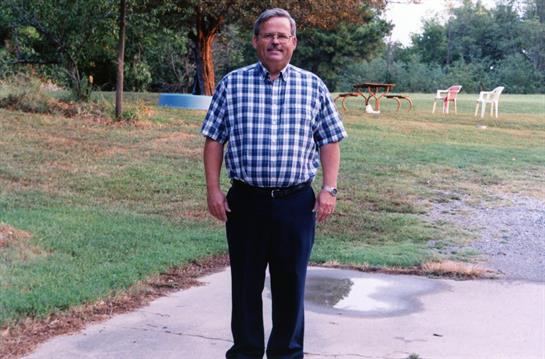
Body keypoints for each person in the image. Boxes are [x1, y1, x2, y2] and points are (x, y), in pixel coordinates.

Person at [201, 8, 346, 359]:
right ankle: (247, 352)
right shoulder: (232, 84)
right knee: (246, 286)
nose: (275, 41)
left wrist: (329, 189)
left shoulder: (312, 86)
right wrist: (213, 189)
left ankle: (286, 354)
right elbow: (214, 140)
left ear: (293, 42)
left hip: (296, 204)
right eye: (268, 35)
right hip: (246, 203)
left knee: (290, 286)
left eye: (282, 35)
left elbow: (329, 140)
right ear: (256, 41)